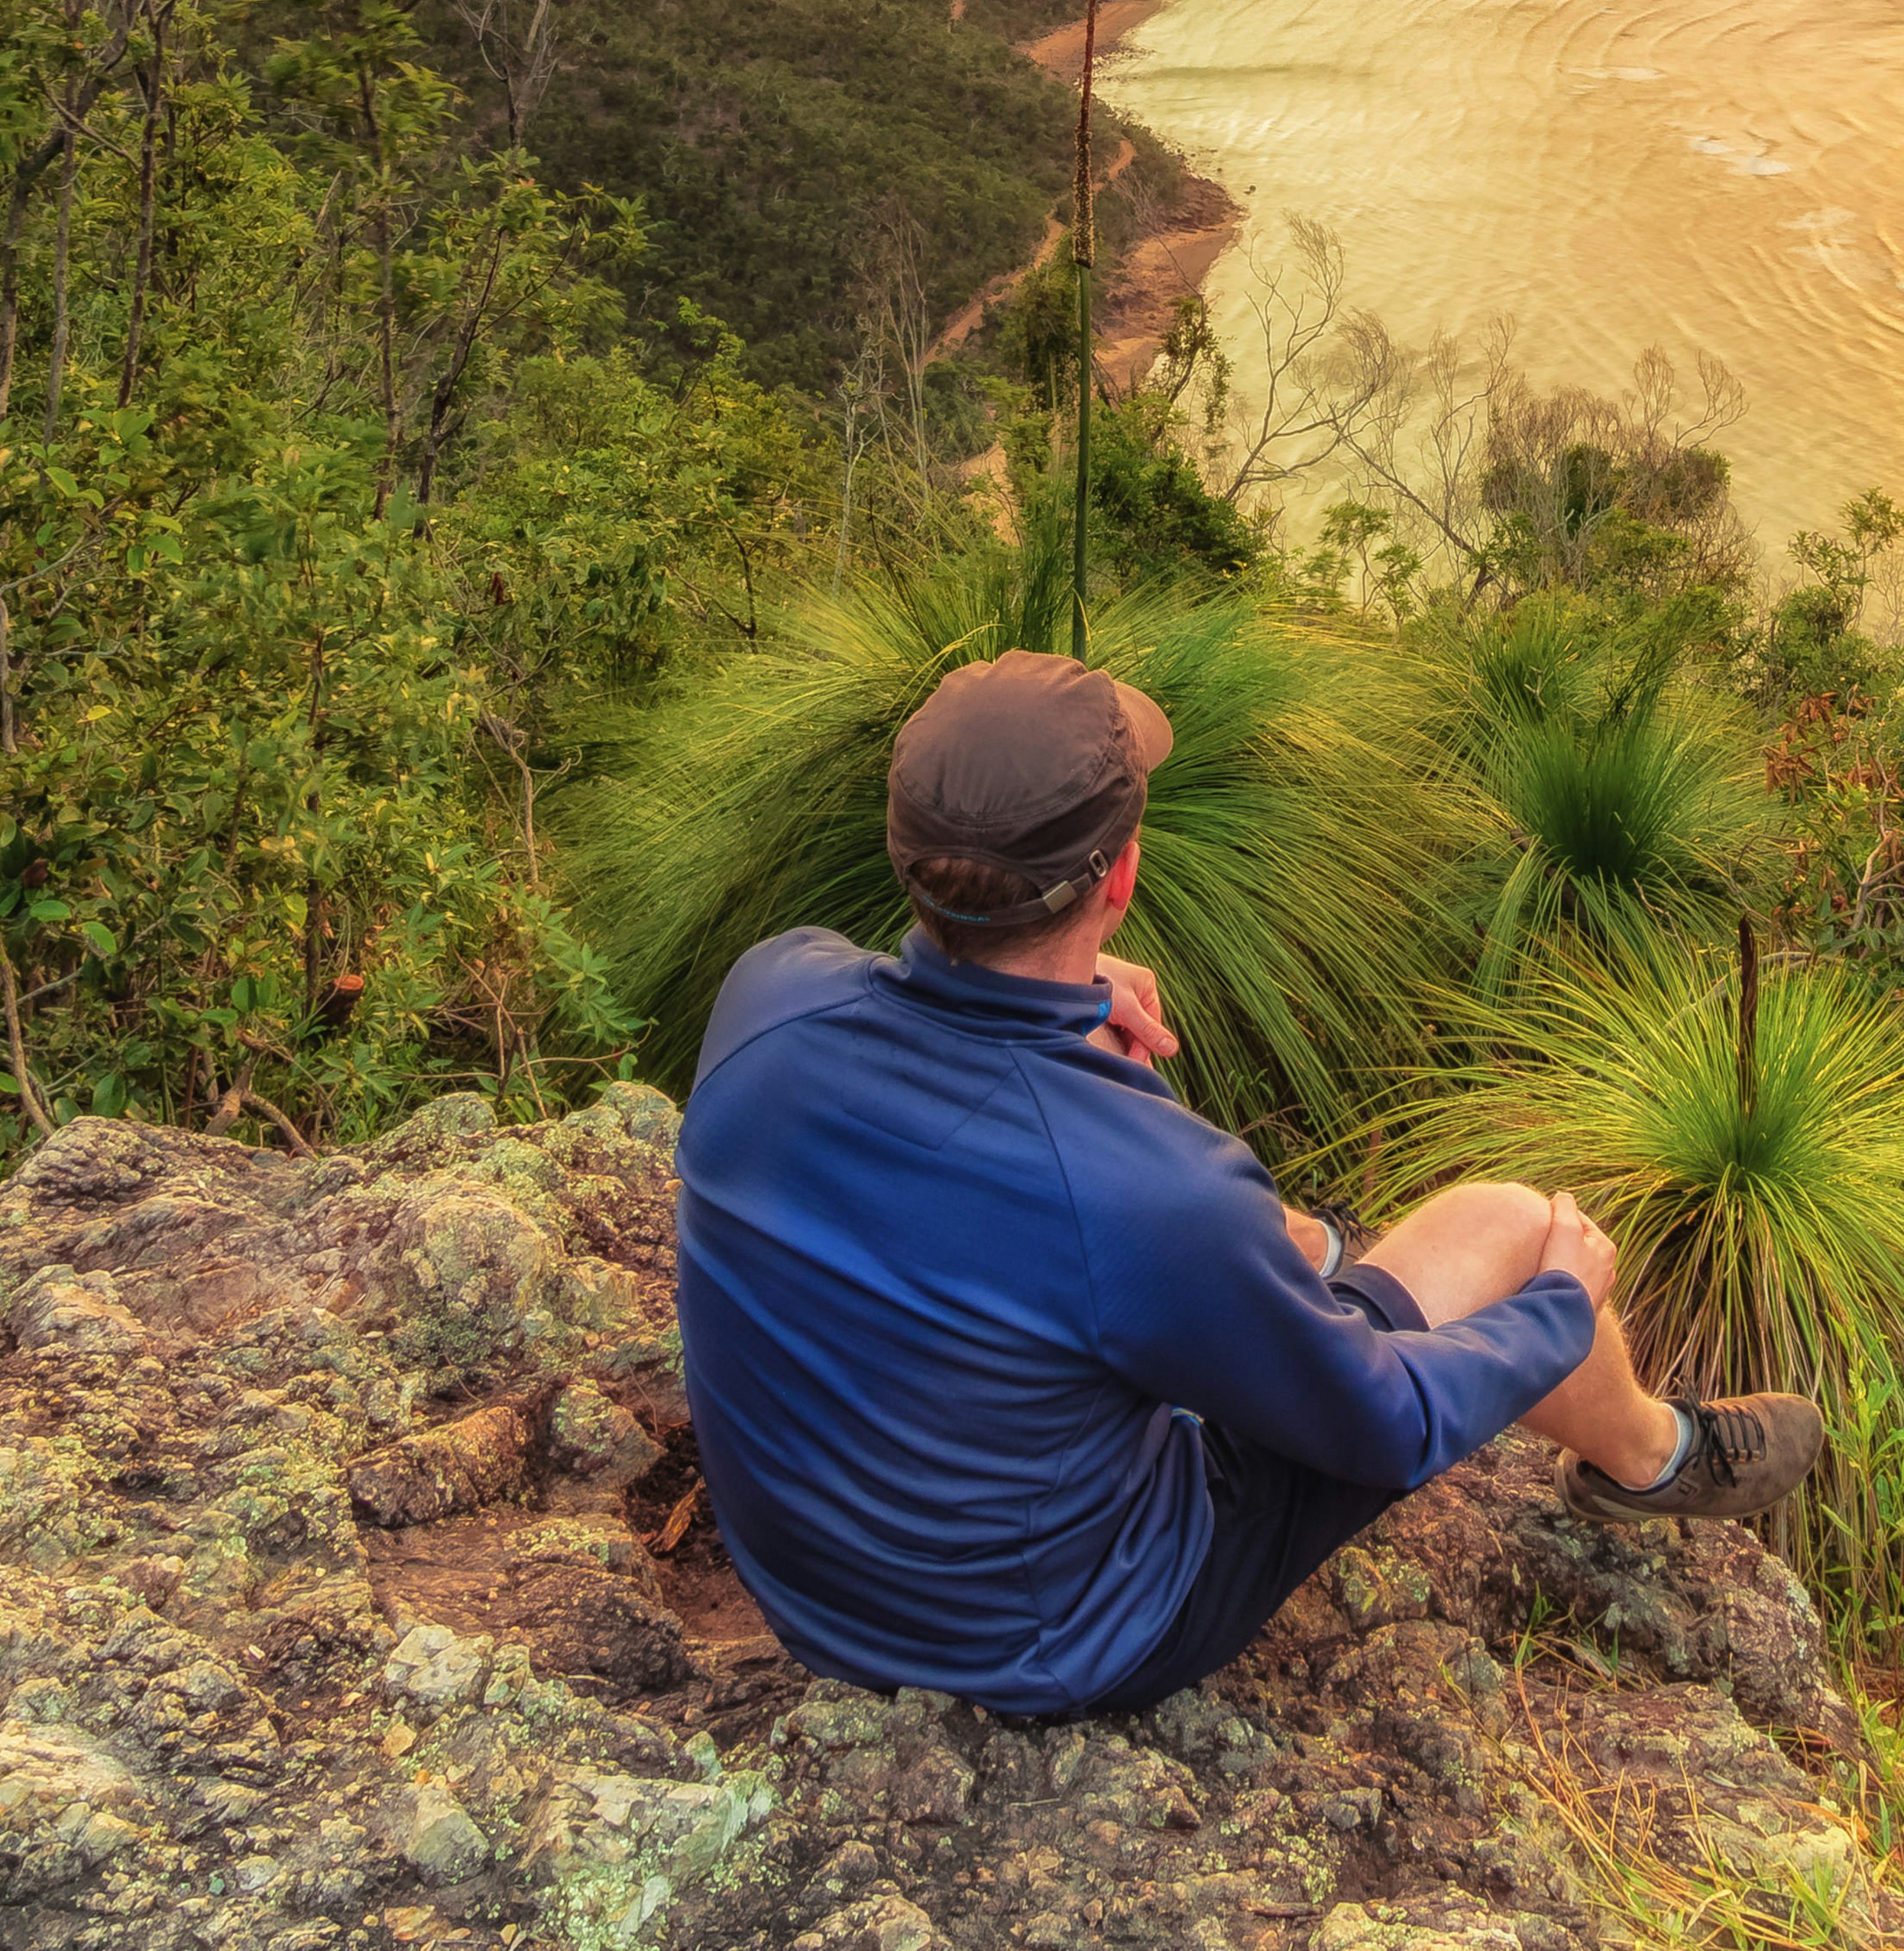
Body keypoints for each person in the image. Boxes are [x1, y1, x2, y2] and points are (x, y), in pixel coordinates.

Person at [675, 647, 1824, 1717]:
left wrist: (1061, 1010)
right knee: (1512, 1227)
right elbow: (1384, 1427)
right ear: (1120, 875)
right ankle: (1653, 1456)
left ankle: (1312, 1261)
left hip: (813, 1597)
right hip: (1048, 1639)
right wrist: (1558, 1307)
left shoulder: (769, 996)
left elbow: (919, 1025)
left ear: (905, 852)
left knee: (1155, 1249)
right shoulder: (1156, 1193)